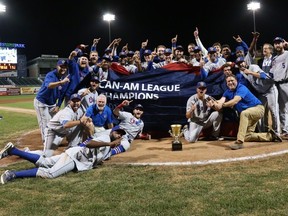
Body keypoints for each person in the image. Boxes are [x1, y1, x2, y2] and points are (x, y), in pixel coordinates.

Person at [0, 126, 126, 184]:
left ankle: (13, 150)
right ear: (112, 131)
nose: (119, 135)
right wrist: (108, 144)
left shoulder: (109, 148)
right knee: (50, 174)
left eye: (121, 135)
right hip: (75, 158)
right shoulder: (105, 137)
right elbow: (88, 143)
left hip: (74, 154)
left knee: (45, 162)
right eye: (117, 132)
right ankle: (12, 174)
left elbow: (100, 155)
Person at [212, 74, 282, 150]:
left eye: (232, 80)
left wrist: (222, 105)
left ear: (236, 81)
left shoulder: (241, 88)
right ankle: (271, 136)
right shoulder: (227, 92)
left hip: (258, 109)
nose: (230, 83)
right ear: (226, 83)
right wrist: (213, 103)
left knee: (244, 113)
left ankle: (239, 142)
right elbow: (221, 101)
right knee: (247, 136)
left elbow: (235, 101)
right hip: (249, 114)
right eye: (228, 81)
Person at [34, 59, 70, 143]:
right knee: (44, 122)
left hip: (52, 104)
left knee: (57, 121)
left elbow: (62, 94)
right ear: (57, 66)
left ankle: (54, 138)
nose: (63, 69)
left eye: (65, 67)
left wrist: (58, 106)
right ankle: (46, 141)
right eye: (61, 67)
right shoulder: (51, 75)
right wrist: (61, 82)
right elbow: (49, 85)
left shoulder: (65, 77)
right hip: (41, 102)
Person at [270, 37, 288, 139]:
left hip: (286, 83)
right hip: (277, 85)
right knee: (282, 108)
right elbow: (272, 72)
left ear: (283, 43)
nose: (277, 45)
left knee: (286, 108)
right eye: (275, 43)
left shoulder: (287, 54)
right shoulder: (274, 58)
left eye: (279, 43)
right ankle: (285, 130)